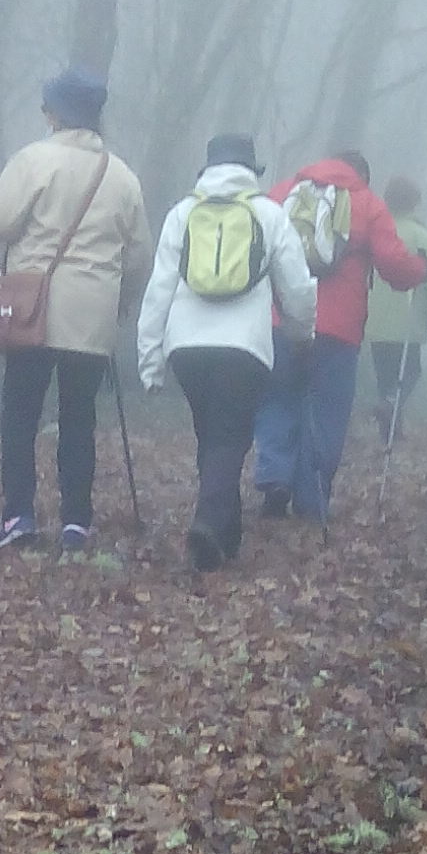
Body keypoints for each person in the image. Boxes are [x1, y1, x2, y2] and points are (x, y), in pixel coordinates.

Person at [0, 67, 150, 549]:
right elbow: (138, 256)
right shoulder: (122, 176)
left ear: (53, 112)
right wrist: (119, 302)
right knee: (78, 416)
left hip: (33, 307)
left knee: (21, 412)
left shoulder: (33, 160)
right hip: (91, 315)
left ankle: (19, 517)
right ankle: (76, 519)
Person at [139, 134, 317, 571]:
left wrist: (151, 358)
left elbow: (159, 289)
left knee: (212, 435)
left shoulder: (182, 214)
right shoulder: (269, 214)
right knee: (231, 437)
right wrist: (301, 333)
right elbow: (297, 287)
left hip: (186, 347)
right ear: (250, 171)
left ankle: (225, 534)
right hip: (244, 347)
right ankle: (205, 523)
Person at [251, 146, 427, 525]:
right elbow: (395, 267)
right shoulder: (367, 203)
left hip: (280, 319)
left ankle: (274, 477)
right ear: (361, 175)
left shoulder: (282, 192)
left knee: (277, 398)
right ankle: (311, 499)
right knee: (326, 411)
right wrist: (421, 270)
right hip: (337, 329)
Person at [364, 171, 427, 447]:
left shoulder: (376, 233)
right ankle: (392, 407)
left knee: (385, 374)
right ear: (414, 202)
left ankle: (391, 429)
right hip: (408, 317)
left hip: (375, 315)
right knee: (410, 371)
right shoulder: (421, 236)